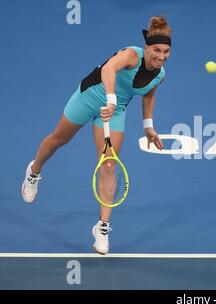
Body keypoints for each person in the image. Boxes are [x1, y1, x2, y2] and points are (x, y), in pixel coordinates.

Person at [21, 16, 172, 255]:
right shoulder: (132, 55)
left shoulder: (160, 74)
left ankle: (102, 227)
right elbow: (110, 68)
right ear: (146, 48)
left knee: (109, 164)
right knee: (58, 140)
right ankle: (34, 171)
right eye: (156, 50)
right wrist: (110, 99)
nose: (161, 56)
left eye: (165, 51)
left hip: (115, 111)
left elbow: (148, 94)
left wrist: (148, 125)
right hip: (90, 96)